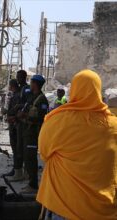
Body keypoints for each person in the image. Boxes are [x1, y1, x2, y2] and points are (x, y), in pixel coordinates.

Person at [37, 70, 117, 219]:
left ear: (73, 90)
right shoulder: (113, 124)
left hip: (64, 206)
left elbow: (44, 153)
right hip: (104, 210)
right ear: (98, 91)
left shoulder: (57, 120)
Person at [16, 75, 49, 193]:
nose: (30, 84)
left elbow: (42, 118)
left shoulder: (42, 100)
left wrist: (25, 116)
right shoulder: (31, 98)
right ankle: (31, 182)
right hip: (27, 132)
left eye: (31, 82)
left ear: (35, 84)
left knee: (31, 158)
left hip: (33, 134)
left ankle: (33, 184)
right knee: (26, 157)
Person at [9, 70, 31, 181]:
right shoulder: (20, 89)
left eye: (20, 77)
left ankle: (22, 172)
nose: (18, 79)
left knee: (21, 148)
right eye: (17, 77)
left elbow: (28, 104)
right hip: (17, 122)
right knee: (17, 147)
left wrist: (18, 107)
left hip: (23, 122)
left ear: (24, 77)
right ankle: (17, 170)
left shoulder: (26, 89)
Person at [4, 79, 21, 177]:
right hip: (13, 124)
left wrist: (13, 118)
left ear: (11, 86)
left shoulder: (17, 96)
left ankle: (17, 169)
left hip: (15, 125)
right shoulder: (14, 95)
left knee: (16, 148)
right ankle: (16, 168)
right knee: (14, 148)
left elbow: (17, 111)